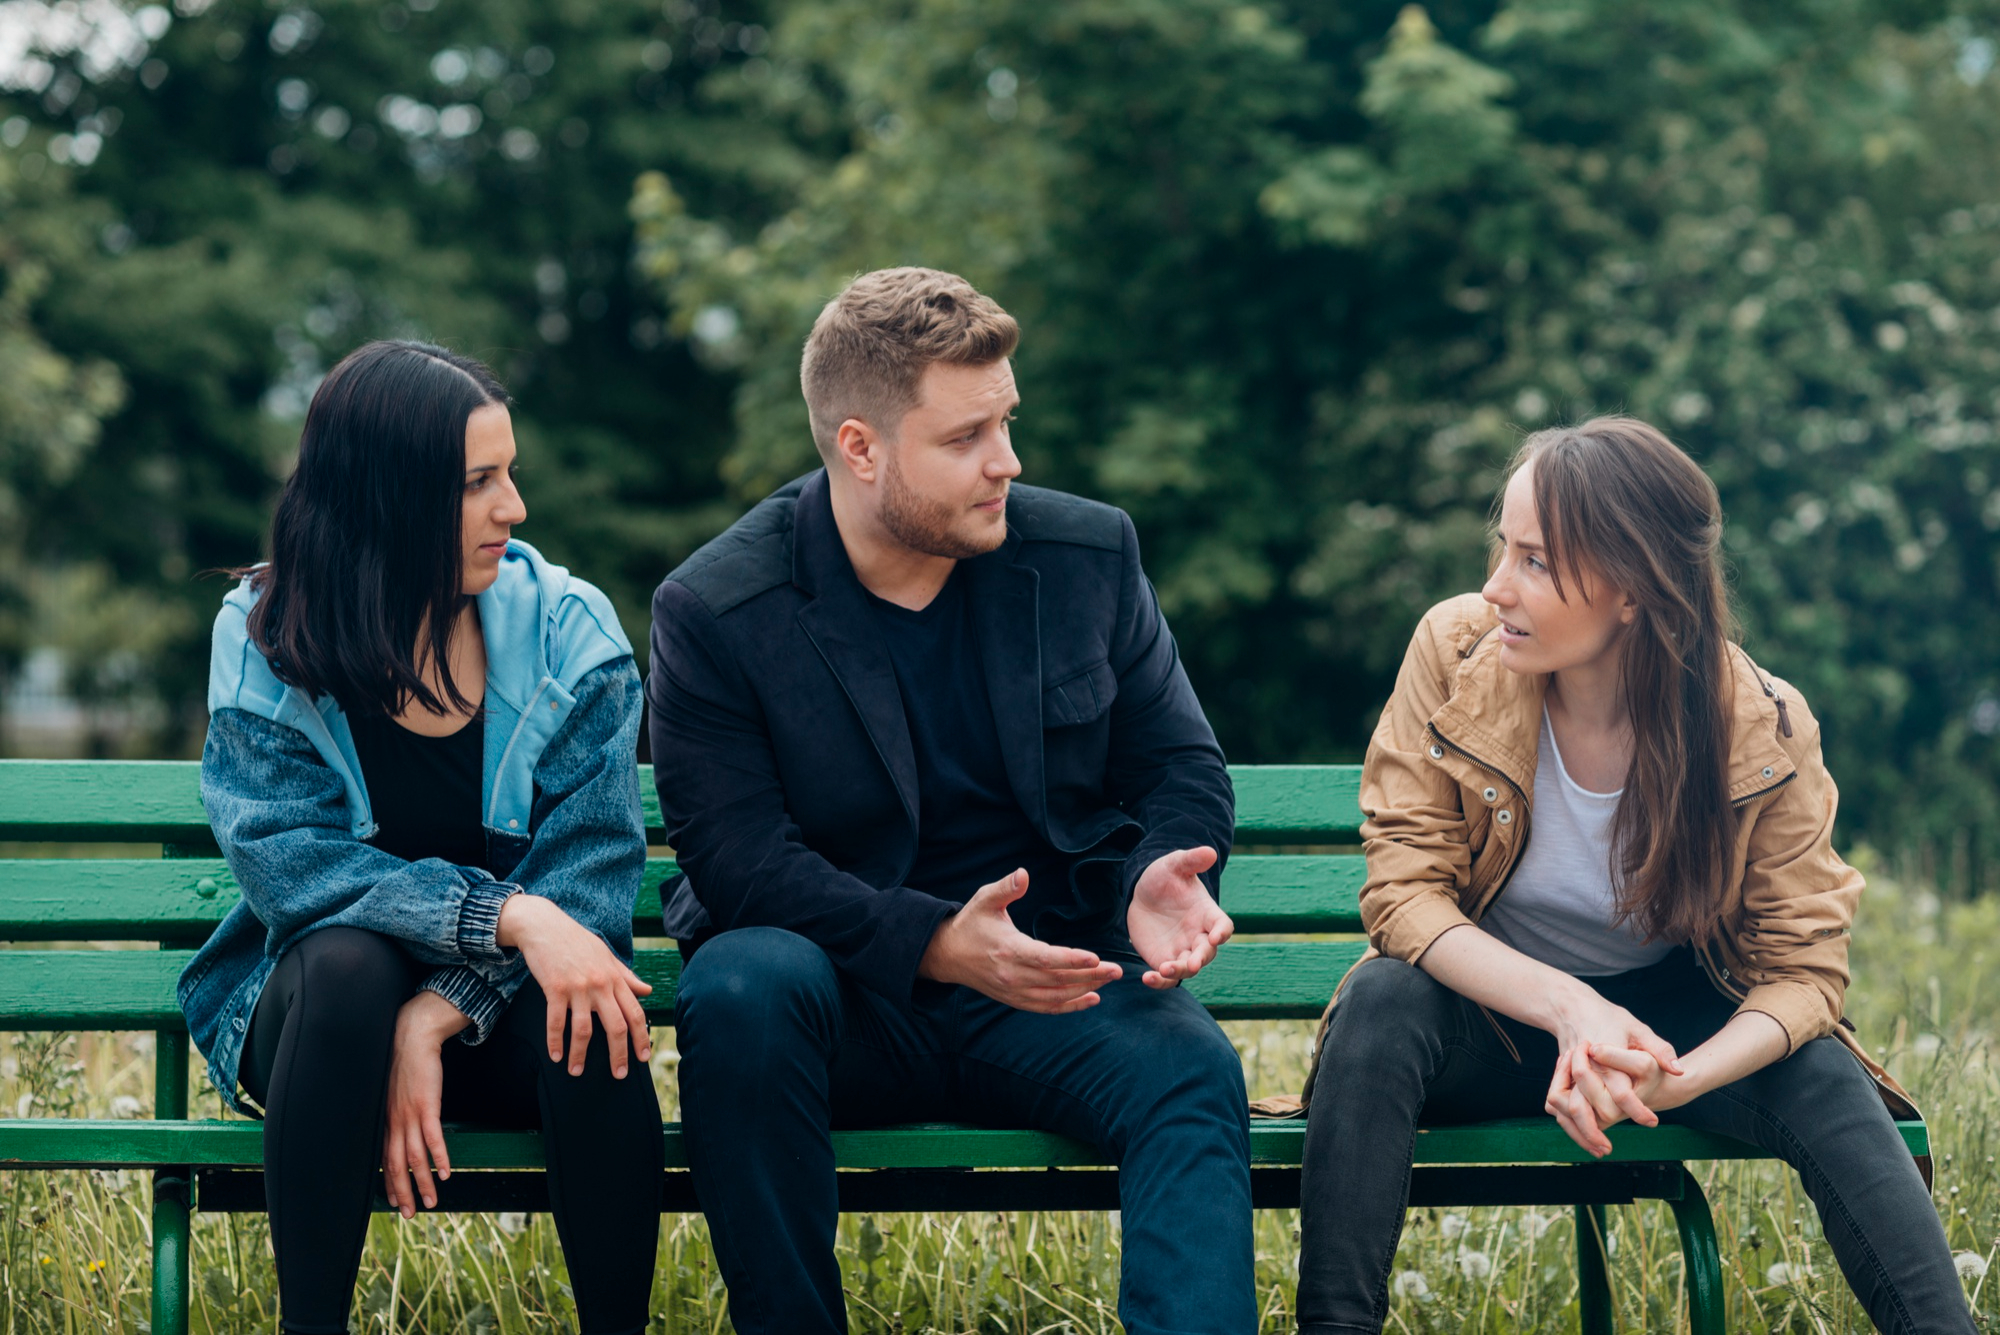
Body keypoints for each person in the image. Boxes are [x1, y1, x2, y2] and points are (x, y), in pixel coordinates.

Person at [648, 267, 1253, 1335]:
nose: (1006, 462)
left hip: (1046, 982)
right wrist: (932, 941)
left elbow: (1178, 765)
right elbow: (737, 862)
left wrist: (1166, 863)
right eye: (966, 437)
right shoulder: (718, 609)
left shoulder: (1084, 555)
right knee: (740, 985)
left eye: (1007, 423)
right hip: (839, 1002)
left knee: (1187, 1066)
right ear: (860, 446)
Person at [1294, 416, 1971, 1334]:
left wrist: (1683, 1078)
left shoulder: (1759, 723)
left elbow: (1803, 973)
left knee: (1820, 1070)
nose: (1497, 587)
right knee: (1380, 1001)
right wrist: (1570, 1007)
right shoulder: (1455, 652)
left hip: (1665, 1037)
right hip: (1494, 1017)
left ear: (1633, 590)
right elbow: (1403, 895)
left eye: (1535, 561)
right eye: (1505, 548)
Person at [177, 340, 663, 1335]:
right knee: (349, 967)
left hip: (501, 1015)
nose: (514, 507)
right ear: (388, 499)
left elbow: (593, 875)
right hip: (318, 1025)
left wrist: (439, 1009)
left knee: (593, 1009)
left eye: (509, 472)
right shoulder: (268, 635)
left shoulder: (570, 634)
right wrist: (505, 913)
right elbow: (291, 865)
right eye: (479, 481)